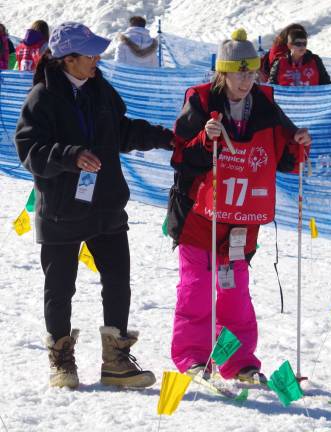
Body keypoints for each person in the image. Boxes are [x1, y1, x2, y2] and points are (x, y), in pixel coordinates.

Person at [15, 21, 174, 390]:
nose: (96, 58)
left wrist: (165, 138)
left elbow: (121, 130)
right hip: (60, 210)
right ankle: (62, 362)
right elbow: (30, 152)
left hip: (105, 204)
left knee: (118, 281)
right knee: (60, 288)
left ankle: (116, 361)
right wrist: (70, 156)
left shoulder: (99, 88)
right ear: (68, 59)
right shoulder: (41, 97)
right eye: (89, 54)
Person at [167, 28, 311, 384]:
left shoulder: (263, 102)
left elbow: (286, 156)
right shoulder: (201, 101)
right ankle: (194, 358)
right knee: (197, 288)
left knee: (233, 292)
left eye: (252, 71)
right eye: (239, 72)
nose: (247, 79)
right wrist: (205, 139)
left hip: (241, 219)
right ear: (223, 72)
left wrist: (299, 143)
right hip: (198, 215)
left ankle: (238, 362)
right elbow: (180, 153)